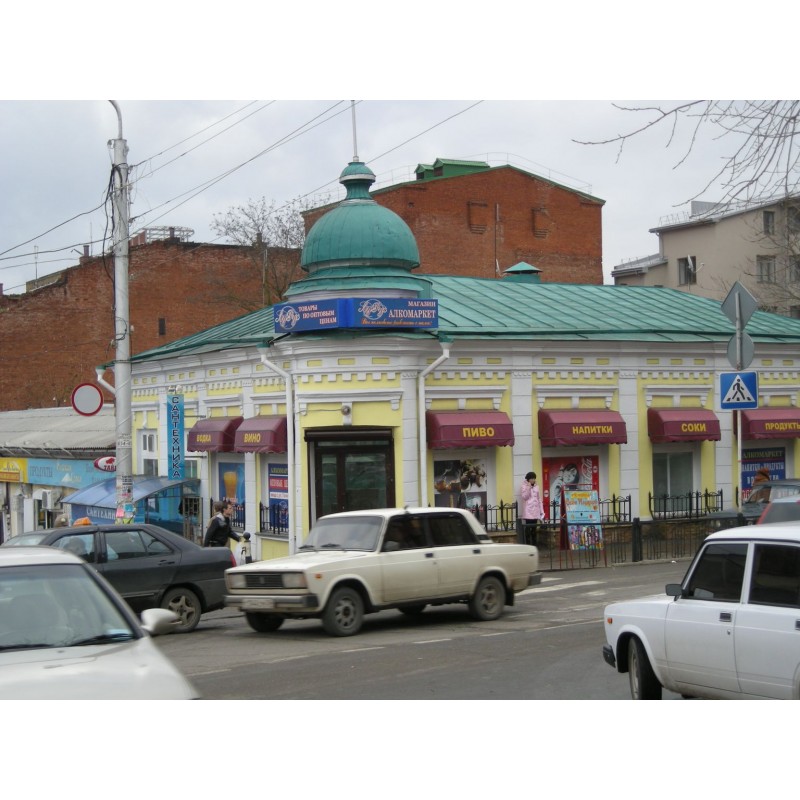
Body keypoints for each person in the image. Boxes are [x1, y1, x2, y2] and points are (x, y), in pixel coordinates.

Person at [519, 471, 544, 546]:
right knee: (528, 529)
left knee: (534, 529)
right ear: (528, 479)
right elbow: (525, 497)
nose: (533, 480)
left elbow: (539, 499)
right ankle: (528, 544)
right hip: (528, 511)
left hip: (535, 511)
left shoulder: (537, 486)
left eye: (534, 478)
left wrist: (542, 511)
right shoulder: (524, 486)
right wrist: (529, 487)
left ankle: (534, 545)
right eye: (532, 478)